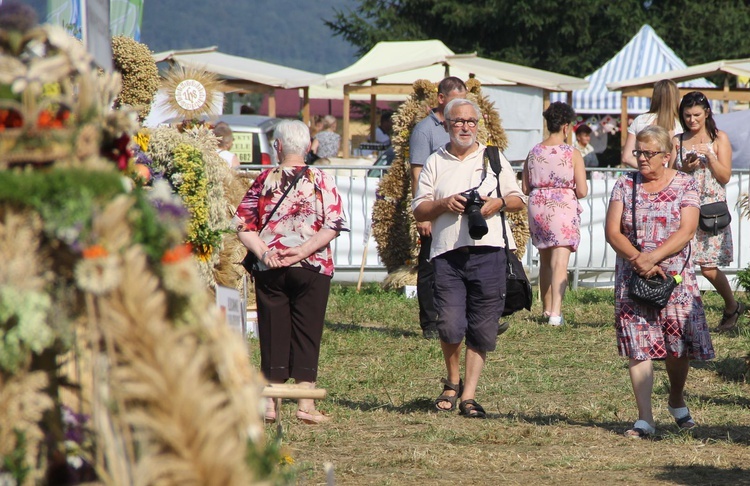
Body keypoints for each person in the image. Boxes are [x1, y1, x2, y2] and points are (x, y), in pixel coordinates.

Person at [412, 98, 526, 418]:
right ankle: (452, 380)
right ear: (446, 125)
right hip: (447, 253)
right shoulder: (436, 161)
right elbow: (419, 208)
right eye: (458, 121)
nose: (465, 127)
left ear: (479, 124)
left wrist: (497, 203)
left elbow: (518, 199)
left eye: (471, 121)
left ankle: (469, 395)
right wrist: (444, 204)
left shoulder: (493, 157)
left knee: (483, 327)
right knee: (449, 324)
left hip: (489, 252)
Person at [233, 119, 349, 424]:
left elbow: (242, 225)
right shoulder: (321, 178)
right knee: (307, 332)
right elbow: (334, 224)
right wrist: (303, 250)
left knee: (272, 332)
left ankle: (270, 405)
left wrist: (266, 252)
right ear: (310, 147)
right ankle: (305, 405)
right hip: (312, 266)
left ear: (278, 146)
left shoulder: (263, 179)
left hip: (270, 268)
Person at [605, 125, 713, 438]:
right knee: (639, 347)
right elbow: (613, 231)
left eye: (649, 153)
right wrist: (639, 259)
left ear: (667, 156)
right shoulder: (625, 184)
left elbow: (687, 230)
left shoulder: (686, 184)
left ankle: (676, 400)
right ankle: (645, 419)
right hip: (634, 276)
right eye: (639, 152)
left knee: (677, 347)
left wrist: (653, 258)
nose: (641, 159)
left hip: (675, 278)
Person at [669, 91, 742, 332]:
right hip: (683, 208)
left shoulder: (719, 138)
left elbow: (724, 176)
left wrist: (710, 156)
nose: (692, 120)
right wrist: (684, 166)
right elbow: (669, 175)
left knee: (708, 268)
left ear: (707, 113)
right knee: (679, 264)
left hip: (710, 210)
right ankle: (678, 315)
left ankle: (732, 306)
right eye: (687, 115)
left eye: (696, 115)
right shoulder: (676, 140)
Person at [409, 76, 467, 340]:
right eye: (456, 101)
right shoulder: (424, 130)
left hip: (457, 211)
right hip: (433, 208)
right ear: (441, 99)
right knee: (429, 265)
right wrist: (423, 213)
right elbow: (417, 173)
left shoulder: (460, 127)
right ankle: (430, 321)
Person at [522, 102, 588, 326]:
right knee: (560, 262)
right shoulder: (572, 153)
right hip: (562, 206)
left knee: (545, 260)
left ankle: (546, 309)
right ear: (566, 127)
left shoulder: (533, 152)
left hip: (538, 205)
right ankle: (556, 314)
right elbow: (582, 190)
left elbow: (524, 187)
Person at [621, 79, 682, 168]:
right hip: (669, 177)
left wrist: (648, 168)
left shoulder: (640, 120)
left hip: (643, 176)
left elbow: (627, 158)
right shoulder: (680, 125)